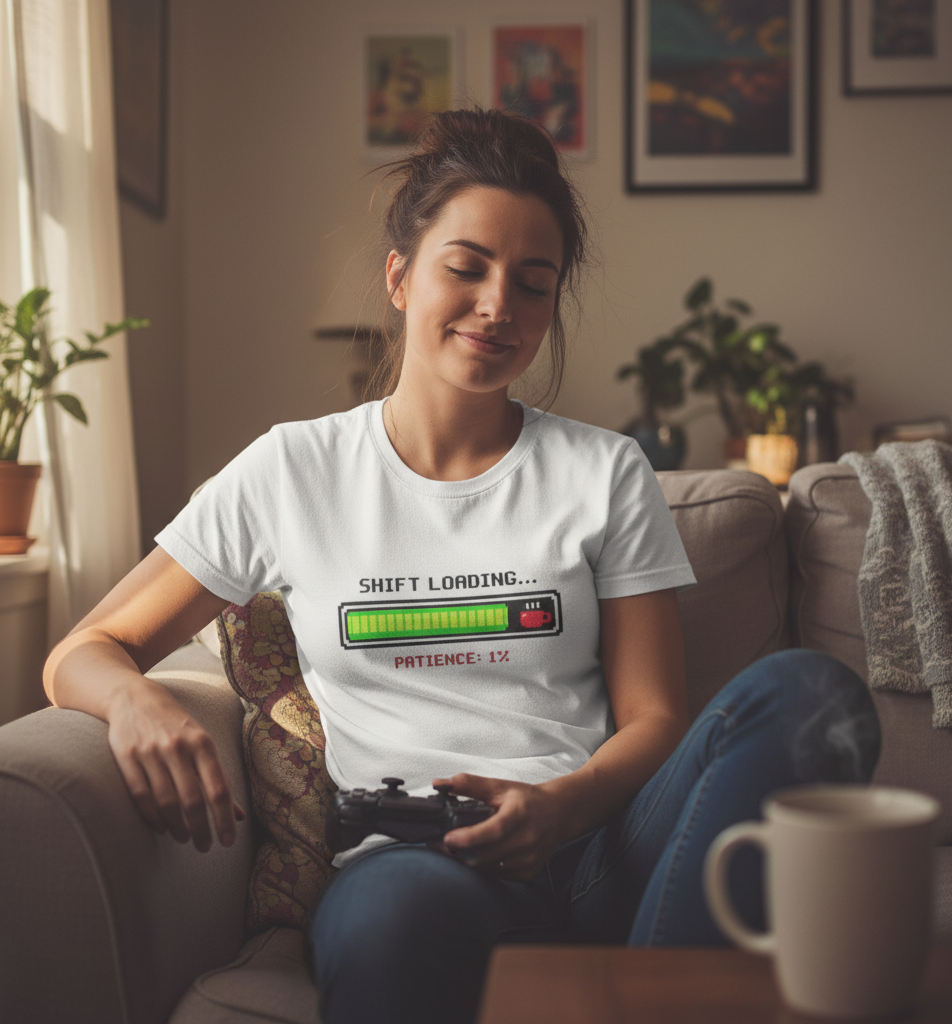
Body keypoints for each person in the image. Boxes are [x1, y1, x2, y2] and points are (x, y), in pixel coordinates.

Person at [43, 108, 881, 1024]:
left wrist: (559, 810)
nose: (498, 306)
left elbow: (655, 718)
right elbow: (83, 649)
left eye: (533, 283)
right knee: (383, 921)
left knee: (814, 695)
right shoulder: (293, 469)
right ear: (400, 278)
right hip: (417, 866)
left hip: (604, 847)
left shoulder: (604, 471)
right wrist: (134, 698)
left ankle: (643, 984)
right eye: (467, 268)